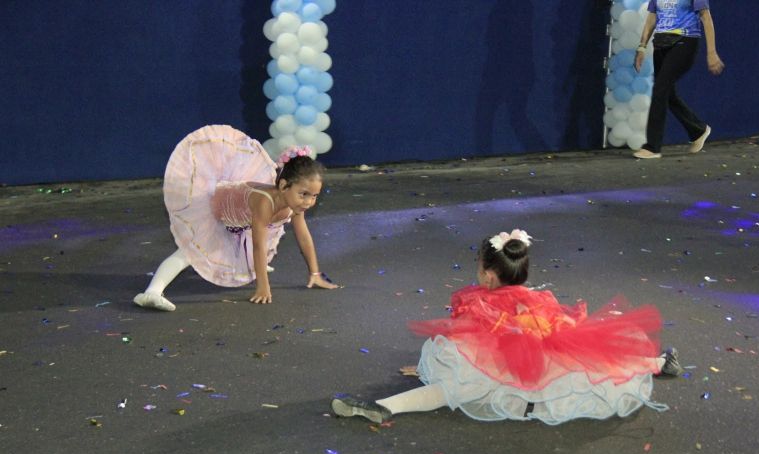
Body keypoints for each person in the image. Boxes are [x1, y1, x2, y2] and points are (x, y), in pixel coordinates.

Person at [331, 229, 682, 425]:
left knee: (456, 385)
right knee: (592, 358)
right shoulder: (537, 299)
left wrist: (432, 367)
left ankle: (386, 406)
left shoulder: (481, 302)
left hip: (506, 370)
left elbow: (466, 338)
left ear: (488, 273)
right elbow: (564, 336)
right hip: (542, 366)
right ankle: (659, 363)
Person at [134, 124, 337, 311]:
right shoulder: (265, 203)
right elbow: (258, 246)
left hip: (243, 218)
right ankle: (151, 292)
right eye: (304, 194)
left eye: (315, 196)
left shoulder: (296, 205)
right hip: (218, 208)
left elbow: (303, 237)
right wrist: (263, 286)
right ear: (283, 186)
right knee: (190, 252)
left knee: (249, 242)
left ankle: (249, 264)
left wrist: (315, 273)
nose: (309, 202)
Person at [632, 0, 724, 159]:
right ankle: (698, 130)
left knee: (660, 89)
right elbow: (652, 18)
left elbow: (706, 17)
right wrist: (642, 46)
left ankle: (652, 147)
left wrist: (711, 52)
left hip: (684, 41)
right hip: (661, 44)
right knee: (668, 94)